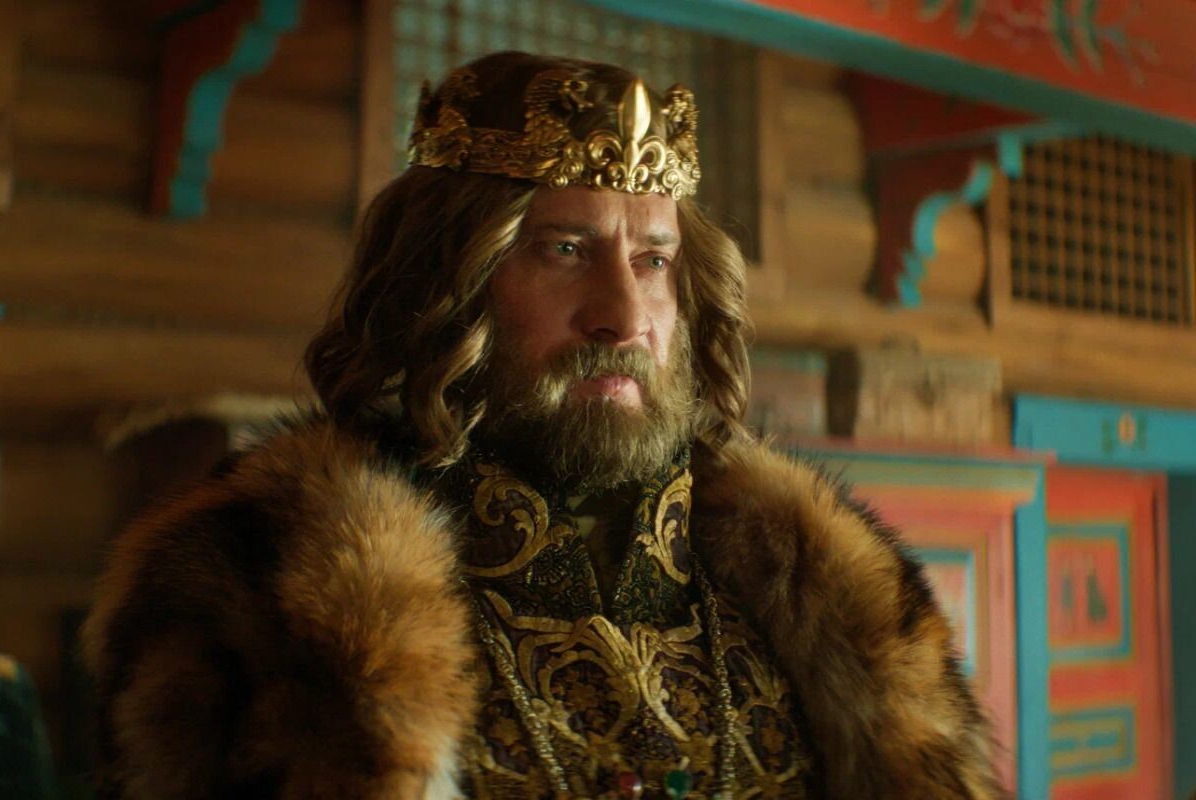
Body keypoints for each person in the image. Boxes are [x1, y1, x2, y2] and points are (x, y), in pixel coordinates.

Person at [83, 52, 1001, 799]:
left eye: (654, 260)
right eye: (564, 250)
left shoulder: (840, 604)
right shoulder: (252, 587)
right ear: (446, 281)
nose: (623, 316)